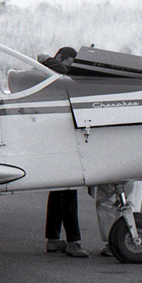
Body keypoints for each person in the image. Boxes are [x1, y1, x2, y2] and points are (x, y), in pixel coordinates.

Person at [39, 46, 88, 257]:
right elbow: (67, 74)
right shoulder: (51, 70)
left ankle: (53, 239)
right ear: (59, 59)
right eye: (67, 63)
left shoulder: (47, 71)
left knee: (59, 189)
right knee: (68, 188)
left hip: (52, 134)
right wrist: (49, 60)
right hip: (59, 135)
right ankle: (73, 242)